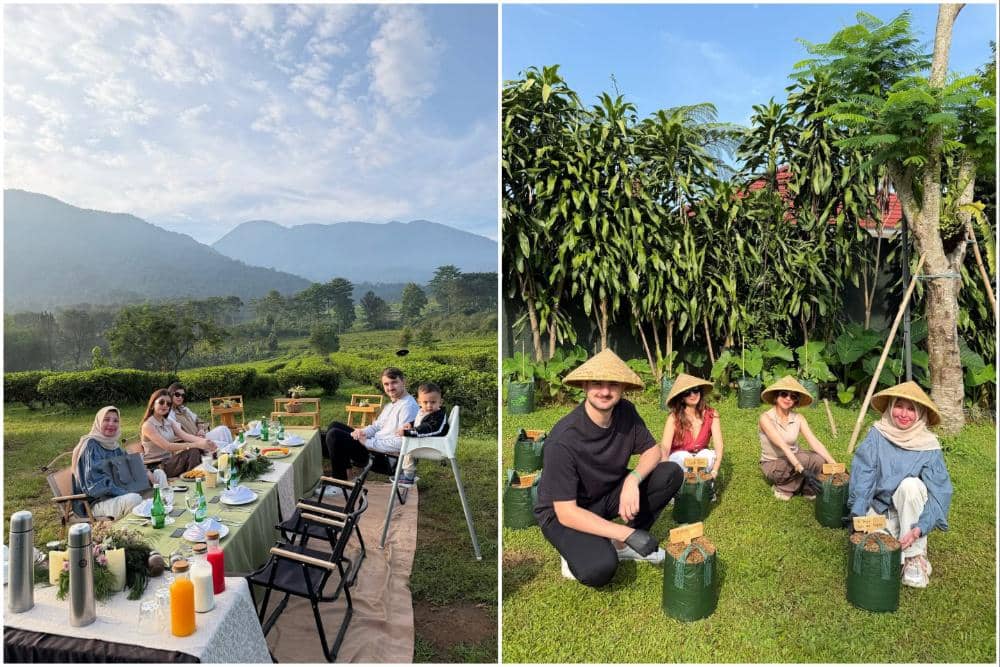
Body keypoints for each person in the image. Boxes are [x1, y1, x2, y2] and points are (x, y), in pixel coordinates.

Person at [534, 348, 684, 587]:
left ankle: (621, 546)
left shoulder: (626, 412)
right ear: (584, 386)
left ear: (623, 388)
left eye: (613, 384)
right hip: (563, 514)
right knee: (599, 569)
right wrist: (626, 531)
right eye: (597, 383)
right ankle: (581, 549)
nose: (605, 391)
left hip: (605, 493)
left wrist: (632, 480)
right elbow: (566, 512)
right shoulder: (563, 440)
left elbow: (653, 450)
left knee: (669, 473)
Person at [848, 382, 952, 588]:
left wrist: (919, 529)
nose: (904, 414)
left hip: (911, 514)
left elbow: (940, 493)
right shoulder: (878, 434)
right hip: (878, 511)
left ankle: (913, 556)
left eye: (911, 409)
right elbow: (863, 477)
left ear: (920, 413)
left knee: (911, 485)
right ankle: (900, 546)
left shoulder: (928, 445)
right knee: (877, 553)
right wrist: (857, 516)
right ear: (890, 406)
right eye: (899, 406)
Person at [71, 406, 167, 520]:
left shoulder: (114, 446)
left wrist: (146, 472)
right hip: (97, 502)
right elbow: (95, 486)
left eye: (115, 421)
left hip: (121, 493)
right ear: (98, 422)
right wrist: (125, 491)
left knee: (158, 474)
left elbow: (130, 468)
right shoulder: (91, 446)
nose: (111, 424)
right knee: (133, 499)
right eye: (106, 420)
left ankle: (163, 510)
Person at [325, 367, 419, 480]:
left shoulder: (408, 407)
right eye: (386, 384)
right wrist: (362, 432)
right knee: (334, 426)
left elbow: (402, 443)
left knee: (334, 436)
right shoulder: (392, 404)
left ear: (403, 381)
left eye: (394, 383)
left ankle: (339, 483)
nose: (390, 388)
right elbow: (376, 426)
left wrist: (368, 443)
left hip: (386, 458)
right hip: (375, 446)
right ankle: (346, 476)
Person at [758, 376, 838, 500]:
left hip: (795, 457)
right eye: (784, 394)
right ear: (776, 396)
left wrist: (834, 463)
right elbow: (782, 445)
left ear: (795, 401)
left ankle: (808, 489)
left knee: (819, 459)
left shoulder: (798, 418)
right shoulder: (765, 418)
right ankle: (783, 488)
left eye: (793, 396)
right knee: (804, 459)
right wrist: (800, 467)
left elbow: (814, 442)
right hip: (773, 463)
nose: (788, 398)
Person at [661, 374, 724, 485]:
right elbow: (665, 447)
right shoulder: (673, 418)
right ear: (681, 397)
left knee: (708, 455)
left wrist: (714, 471)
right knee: (682, 457)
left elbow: (719, 446)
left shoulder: (712, 414)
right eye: (687, 393)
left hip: (701, 457)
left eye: (696, 390)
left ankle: (705, 486)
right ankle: (678, 488)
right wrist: (665, 470)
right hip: (679, 458)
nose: (693, 395)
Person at [140, 388, 217, 477]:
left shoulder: (168, 421)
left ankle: (199, 477)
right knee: (193, 451)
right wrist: (196, 444)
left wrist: (205, 442)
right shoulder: (148, 425)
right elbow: (168, 446)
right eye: (161, 402)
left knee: (198, 450)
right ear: (153, 404)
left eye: (168, 404)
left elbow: (185, 436)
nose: (165, 405)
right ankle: (194, 479)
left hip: (169, 462)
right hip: (156, 467)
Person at [393, 381, 449, 487]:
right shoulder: (423, 411)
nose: (429, 405)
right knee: (407, 444)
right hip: (427, 440)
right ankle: (408, 472)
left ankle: (408, 477)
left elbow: (429, 428)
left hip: (435, 445)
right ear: (419, 402)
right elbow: (420, 422)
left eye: (433, 402)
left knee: (408, 448)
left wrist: (408, 432)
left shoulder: (438, 416)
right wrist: (411, 424)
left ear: (440, 402)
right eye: (425, 402)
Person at [166, 382, 233, 444]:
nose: (180, 397)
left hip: (201, 436)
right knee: (224, 444)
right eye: (177, 394)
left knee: (223, 429)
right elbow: (178, 434)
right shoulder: (170, 414)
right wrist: (197, 439)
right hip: (192, 443)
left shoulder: (184, 409)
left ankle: (233, 454)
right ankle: (230, 453)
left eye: (182, 395)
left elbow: (199, 421)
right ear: (171, 394)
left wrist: (201, 430)